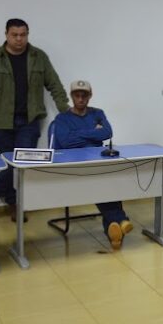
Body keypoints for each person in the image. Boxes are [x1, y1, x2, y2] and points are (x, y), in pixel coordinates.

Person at [0, 18, 69, 221]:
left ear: (28, 34)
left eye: (23, 35)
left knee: (20, 163)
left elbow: (55, 85)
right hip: (0, 121)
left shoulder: (39, 57)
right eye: (14, 35)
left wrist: (66, 112)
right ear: (6, 34)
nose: (19, 39)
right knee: (8, 164)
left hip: (29, 121)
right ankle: (13, 201)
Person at [53, 80, 133, 250]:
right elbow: (65, 142)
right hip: (75, 168)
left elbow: (107, 132)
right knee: (101, 184)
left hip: (98, 163)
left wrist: (79, 134)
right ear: (71, 96)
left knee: (110, 181)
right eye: (77, 95)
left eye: (84, 95)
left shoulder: (97, 113)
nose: (80, 98)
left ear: (90, 96)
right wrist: (93, 134)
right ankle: (120, 220)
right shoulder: (62, 118)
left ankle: (114, 229)